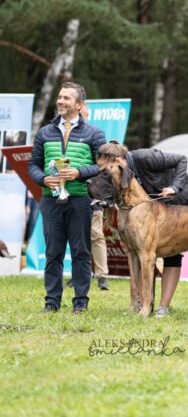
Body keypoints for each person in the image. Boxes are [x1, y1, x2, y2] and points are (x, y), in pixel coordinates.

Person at [28, 82, 106, 313]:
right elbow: (33, 165)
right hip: (51, 200)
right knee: (53, 253)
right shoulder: (45, 132)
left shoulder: (94, 133)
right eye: (60, 97)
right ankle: (52, 302)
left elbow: (103, 165)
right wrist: (43, 179)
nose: (61, 101)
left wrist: (79, 173)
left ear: (79, 105)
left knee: (81, 252)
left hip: (80, 200)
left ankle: (80, 301)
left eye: (66, 98)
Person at [95, 141, 188, 316]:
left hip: (176, 199)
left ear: (118, 160)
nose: (105, 174)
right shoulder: (122, 173)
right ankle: (141, 303)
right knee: (142, 251)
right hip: (150, 205)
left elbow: (182, 160)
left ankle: (163, 306)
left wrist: (174, 187)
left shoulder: (145, 157)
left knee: (172, 255)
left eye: (106, 171)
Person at [81, 103, 109, 291]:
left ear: (86, 113)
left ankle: (102, 276)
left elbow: (104, 165)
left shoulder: (95, 135)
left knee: (96, 234)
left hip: (94, 195)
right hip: (75, 192)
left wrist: (102, 195)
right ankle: (81, 273)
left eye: (82, 112)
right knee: (77, 237)